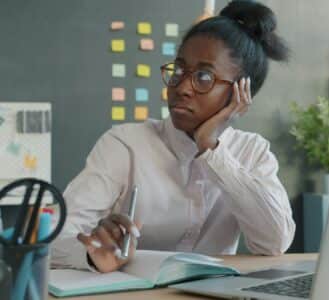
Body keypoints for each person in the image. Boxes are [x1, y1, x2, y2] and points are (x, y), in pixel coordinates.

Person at [51, 0, 296, 273]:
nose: (182, 87)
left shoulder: (252, 151)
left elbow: (275, 242)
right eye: (179, 70)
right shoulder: (125, 144)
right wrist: (91, 254)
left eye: (204, 77)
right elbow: (55, 237)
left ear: (241, 93)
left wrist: (212, 149)